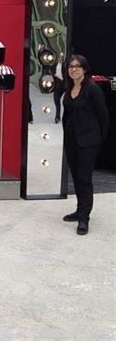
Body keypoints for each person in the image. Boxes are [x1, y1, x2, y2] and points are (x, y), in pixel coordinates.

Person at [62, 54, 109, 236]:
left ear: (85, 69)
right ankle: (79, 209)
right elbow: (67, 114)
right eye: (70, 66)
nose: (73, 69)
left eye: (77, 66)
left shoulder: (92, 88)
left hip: (89, 141)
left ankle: (84, 218)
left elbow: (103, 115)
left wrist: (99, 138)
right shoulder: (69, 87)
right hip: (72, 140)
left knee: (84, 179)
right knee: (76, 177)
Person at [52, 52, 65, 123]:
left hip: (64, 84)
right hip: (57, 84)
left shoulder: (65, 65)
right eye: (60, 57)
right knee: (56, 101)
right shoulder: (55, 65)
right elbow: (52, 72)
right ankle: (57, 117)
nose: (61, 59)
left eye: (62, 57)